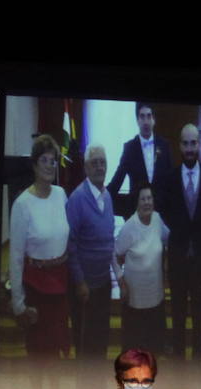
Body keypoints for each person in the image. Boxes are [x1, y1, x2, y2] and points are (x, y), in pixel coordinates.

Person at [8, 134, 71, 362]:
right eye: (44, 160)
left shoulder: (61, 195)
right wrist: (18, 302)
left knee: (55, 352)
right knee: (38, 352)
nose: (49, 165)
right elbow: (15, 257)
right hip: (36, 287)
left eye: (53, 160)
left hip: (60, 284)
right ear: (34, 165)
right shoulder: (22, 204)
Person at [156, 123, 201, 360]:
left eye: (193, 143)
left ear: (199, 145)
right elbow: (164, 212)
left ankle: (200, 359)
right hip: (178, 256)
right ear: (180, 145)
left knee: (200, 312)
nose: (190, 148)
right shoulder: (169, 178)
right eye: (185, 143)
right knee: (178, 312)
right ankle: (179, 359)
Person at [66, 145, 120, 362]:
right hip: (84, 287)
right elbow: (70, 244)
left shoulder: (107, 197)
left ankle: (97, 387)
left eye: (103, 162)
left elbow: (108, 240)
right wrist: (79, 282)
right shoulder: (77, 199)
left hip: (103, 283)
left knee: (101, 340)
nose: (100, 167)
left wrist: (117, 275)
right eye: (95, 162)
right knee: (85, 345)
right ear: (86, 168)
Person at [114, 184, 170, 353]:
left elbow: (169, 241)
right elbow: (114, 254)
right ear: (137, 203)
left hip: (156, 298)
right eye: (143, 199)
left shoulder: (158, 220)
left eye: (149, 198)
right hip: (135, 302)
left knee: (154, 350)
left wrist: (166, 264)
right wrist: (120, 280)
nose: (147, 202)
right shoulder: (130, 227)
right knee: (135, 353)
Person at [107, 101, 171, 220]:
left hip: (161, 214)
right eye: (142, 116)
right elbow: (118, 179)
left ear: (153, 119)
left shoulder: (164, 145)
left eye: (149, 116)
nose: (146, 121)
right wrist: (100, 196)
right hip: (136, 213)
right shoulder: (129, 148)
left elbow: (170, 181)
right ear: (137, 120)